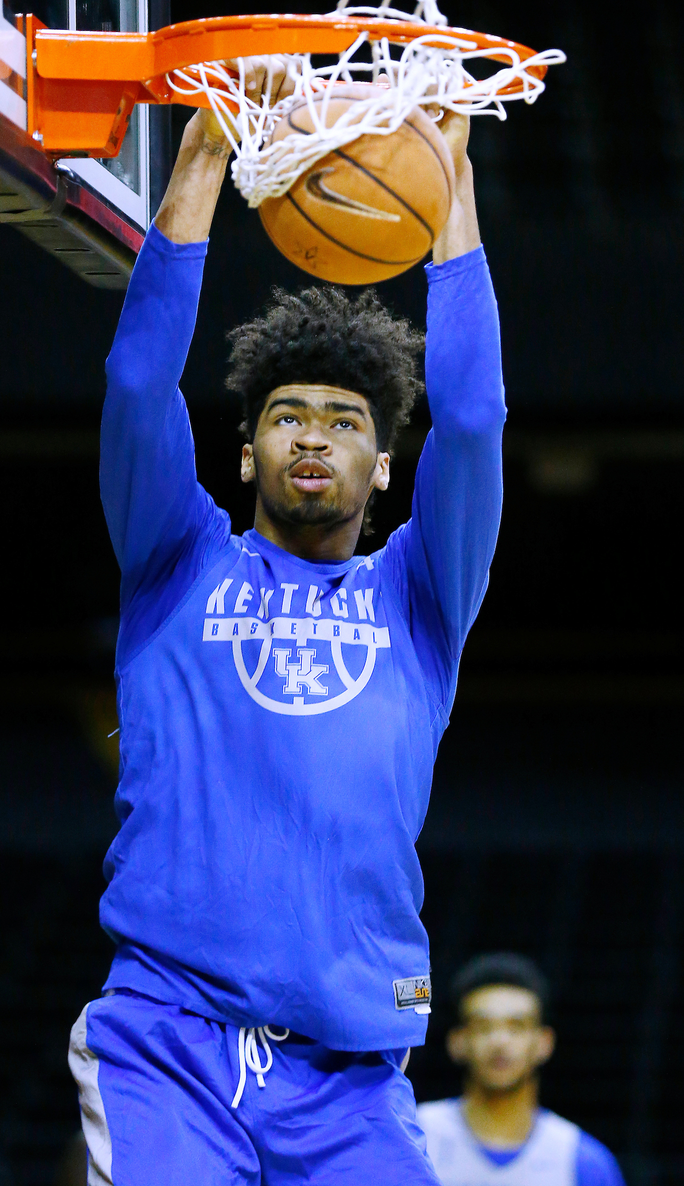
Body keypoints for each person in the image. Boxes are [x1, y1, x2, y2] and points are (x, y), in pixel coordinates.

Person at [67, 59, 505, 1184]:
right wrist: (206, 155)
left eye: (346, 420)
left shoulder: (420, 594)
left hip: (355, 1072)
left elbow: (473, 416)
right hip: (171, 1044)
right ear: (244, 448)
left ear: (384, 463)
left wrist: (450, 187)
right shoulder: (176, 555)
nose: (314, 434)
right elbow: (132, 385)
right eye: (286, 415)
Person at [416, 953, 626, 1185]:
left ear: (545, 1042)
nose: (500, 1041)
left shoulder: (583, 1161)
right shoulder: (412, 1137)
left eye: (517, 1027)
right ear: (457, 1042)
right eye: (483, 1027)